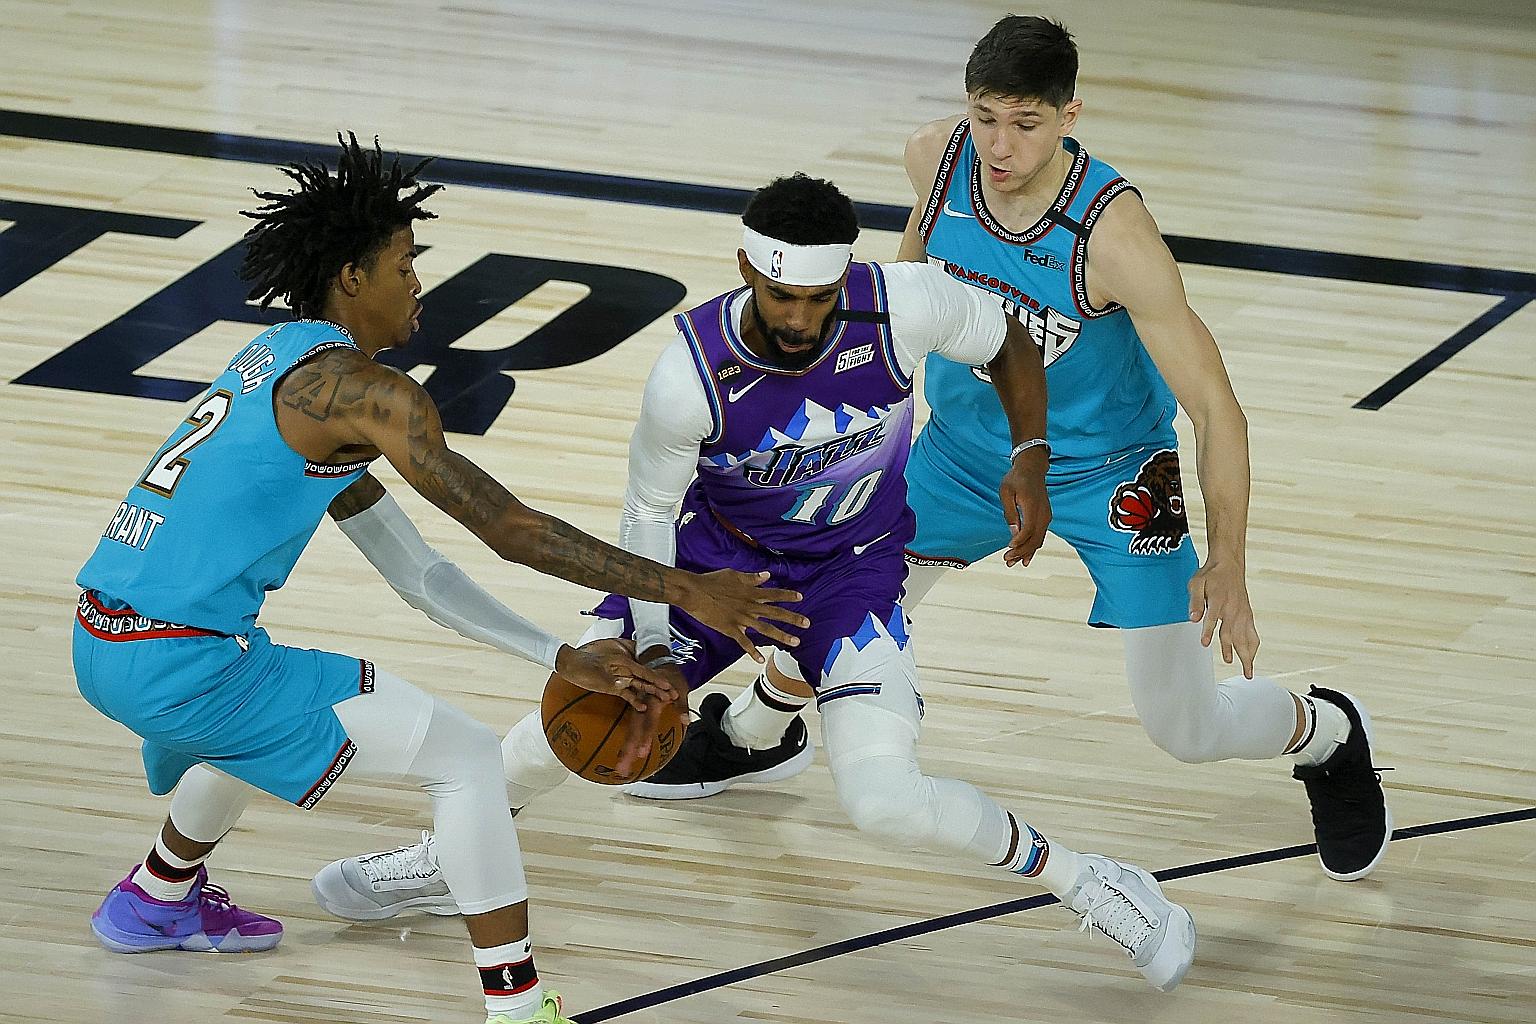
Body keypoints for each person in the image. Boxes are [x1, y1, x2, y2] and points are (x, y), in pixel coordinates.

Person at [314, 172, 1199, 992]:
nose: (802, 319)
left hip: (854, 573)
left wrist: (1031, 454)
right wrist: (655, 647)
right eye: (782, 296)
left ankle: (1093, 881)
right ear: (745, 267)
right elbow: (646, 518)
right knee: (588, 702)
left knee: (886, 802)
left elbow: (1005, 338)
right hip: (713, 563)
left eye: (819, 298)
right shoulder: (687, 375)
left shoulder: (904, 304)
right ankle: (449, 857)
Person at [628, 16, 1391, 884]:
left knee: (1187, 728)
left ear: (1071, 115)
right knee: (822, 595)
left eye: (1025, 124)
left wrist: (1231, 562)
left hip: (1114, 472)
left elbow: (1218, 410)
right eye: (986, 116)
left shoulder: (1113, 236)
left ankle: (1329, 733)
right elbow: (909, 294)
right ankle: (755, 736)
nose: (999, 143)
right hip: (958, 453)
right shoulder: (936, 160)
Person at [71, 134, 804, 1024]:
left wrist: (557, 652)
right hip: (184, 665)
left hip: (106, 642)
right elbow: (510, 528)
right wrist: (688, 590)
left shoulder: (274, 365)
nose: (417, 283)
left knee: (261, 709)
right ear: (351, 276)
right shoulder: (372, 395)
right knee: (462, 760)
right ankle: (518, 1005)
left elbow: (417, 572)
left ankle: (156, 895)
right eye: (403, 264)